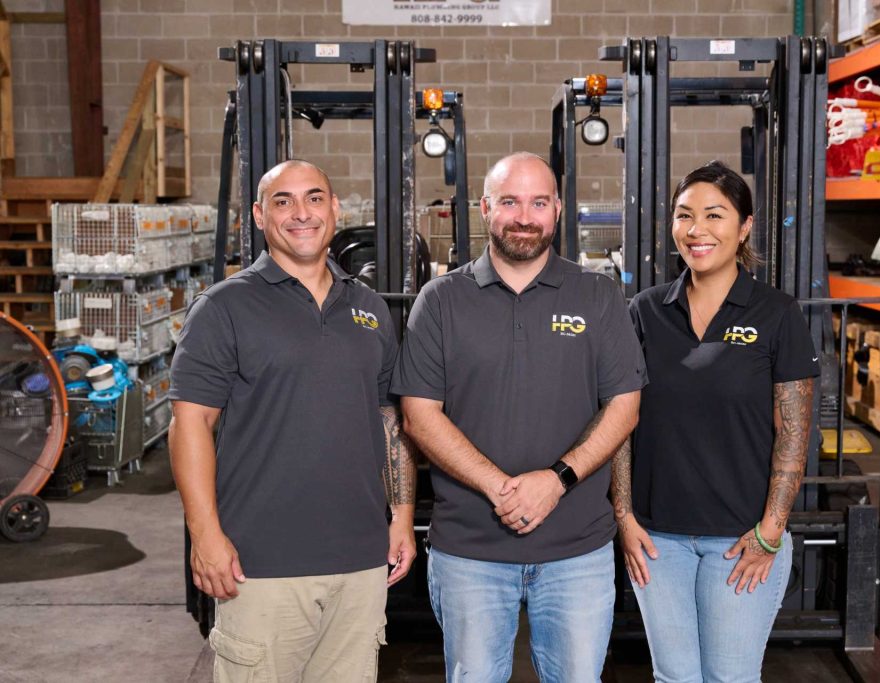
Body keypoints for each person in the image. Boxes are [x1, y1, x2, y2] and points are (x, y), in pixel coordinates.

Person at [392, 152, 646, 682]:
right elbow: (418, 415)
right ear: (486, 208)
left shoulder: (598, 296)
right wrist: (501, 488)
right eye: (509, 202)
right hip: (471, 552)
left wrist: (555, 482)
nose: (524, 217)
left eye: (538, 203)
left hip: (577, 550)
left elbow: (624, 407)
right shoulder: (439, 301)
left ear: (557, 210)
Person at [168, 159, 416, 683]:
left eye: (314, 198)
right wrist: (205, 536)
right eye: (283, 201)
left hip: (360, 561)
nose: (301, 213)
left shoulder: (369, 307)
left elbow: (388, 420)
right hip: (261, 564)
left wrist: (401, 515)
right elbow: (190, 424)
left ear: (335, 209)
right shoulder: (224, 307)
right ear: (260, 216)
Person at [613, 161, 819, 682]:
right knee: (675, 678)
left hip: (741, 539)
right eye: (684, 215)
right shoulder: (645, 311)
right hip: (658, 540)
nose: (696, 229)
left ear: (744, 226)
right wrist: (625, 517)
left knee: (730, 678)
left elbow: (793, 434)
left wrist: (771, 530)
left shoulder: (777, 313)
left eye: (714, 215)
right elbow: (619, 421)